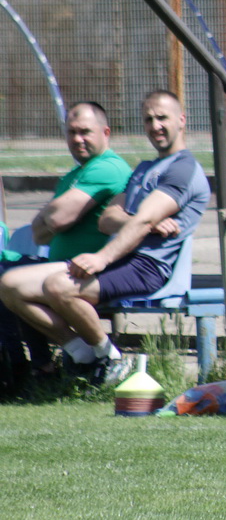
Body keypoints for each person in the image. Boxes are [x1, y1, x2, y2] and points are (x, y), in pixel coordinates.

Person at [0, 90, 210, 385]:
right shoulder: (145, 168)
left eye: (162, 118)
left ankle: (111, 358)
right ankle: (84, 356)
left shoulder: (183, 169)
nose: (155, 126)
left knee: (59, 286)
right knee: (10, 284)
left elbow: (143, 219)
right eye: (148, 119)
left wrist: (103, 256)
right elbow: (108, 220)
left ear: (182, 120)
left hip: (146, 266)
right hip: (122, 257)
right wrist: (142, 222)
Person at [0, 102, 131, 388]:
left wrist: (54, 216)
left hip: (91, 270)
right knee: (5, 273)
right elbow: (39, 233)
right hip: (62, 266)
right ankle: (63, 360)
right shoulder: (76, 174)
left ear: (105, 132)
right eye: (71, 132)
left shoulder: (107, 168)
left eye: (85, 132)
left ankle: (35, 369)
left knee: (8, 278)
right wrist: (54, 217)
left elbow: (55, 219)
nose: (77, 139)